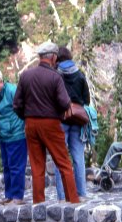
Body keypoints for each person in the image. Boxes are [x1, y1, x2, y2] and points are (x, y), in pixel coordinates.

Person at [13, 41, 80, 204]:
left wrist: (27, 118)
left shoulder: (25, 75)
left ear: (41, 57)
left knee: (37, 166)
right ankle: (73, 200)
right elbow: (65, 103)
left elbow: (16, 104)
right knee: (64, 162)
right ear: (53, 57)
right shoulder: (55, 77)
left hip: (30, 124)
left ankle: (38, 204)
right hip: (50, 123)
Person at [0, 69, 27, 205]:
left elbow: (24, 107)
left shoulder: (12, 90)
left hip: (16, 134)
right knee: (6, 166)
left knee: (16, 167)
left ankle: (17, 197)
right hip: (3, 136)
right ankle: (9, 195)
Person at [53, 47, 90, 202]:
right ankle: (81, 193)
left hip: (61, 119)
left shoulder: (55, 75)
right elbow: (86, 99)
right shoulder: (80, 74)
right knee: (78, 158)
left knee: (60, 159)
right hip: (78, 119)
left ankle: (62, 196)